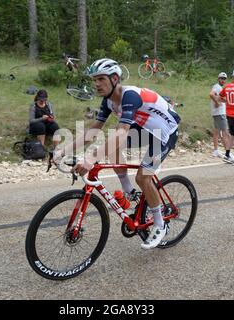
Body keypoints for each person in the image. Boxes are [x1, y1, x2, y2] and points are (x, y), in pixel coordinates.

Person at [54, 58, 180, 249]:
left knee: (144, 177)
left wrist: (91, 158)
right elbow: (92, 131)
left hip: (165, 133)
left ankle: (160, 224)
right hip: (146, 128)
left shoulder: (129, 96)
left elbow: (122, 133)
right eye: (94, 79)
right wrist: (61, 151)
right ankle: (129, 191)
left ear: (114, 78)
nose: (96, 84)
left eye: (101, 79)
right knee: (112, 142)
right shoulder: (108, 101)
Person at [209, 72, 230, 158]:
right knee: (225, 132)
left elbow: (222, 99)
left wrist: (221, 101)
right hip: (220, 113)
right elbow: (211, 94)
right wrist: (217, 102)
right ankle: (228, 154)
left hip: (217, 113)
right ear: (218, 79)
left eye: (224, 79)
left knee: (216, 132)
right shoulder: (217, 87)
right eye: (221, 78)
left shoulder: (220, 88)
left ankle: (216, 150)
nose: (223, 80)